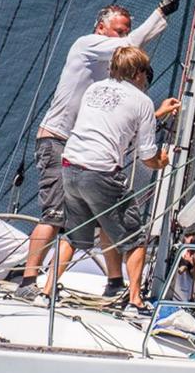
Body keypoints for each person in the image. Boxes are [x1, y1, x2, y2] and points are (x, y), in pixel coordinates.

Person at [25, 0, 181, 297]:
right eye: (119, 30)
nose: (123, 37)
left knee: (100, 218)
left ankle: (114, 283)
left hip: (78, 151)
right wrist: (160, 12)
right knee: (55, 215)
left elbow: (118, 116)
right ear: (101, 29)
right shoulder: (86, 44)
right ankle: (29, 281)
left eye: (125, 31)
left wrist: (155, 113)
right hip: (58, 140)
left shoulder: (109, 82)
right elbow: (131, 45)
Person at [57, 46, 180, 310]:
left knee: (72, 235)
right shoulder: (142, 101)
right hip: (101, 172)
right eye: (147, 73)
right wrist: (164, 161)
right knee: (135, 238)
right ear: (137, 73)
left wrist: (155, 115)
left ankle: (45, 291)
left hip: (70, 165)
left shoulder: (95, 89)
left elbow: (112, 121)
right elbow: (148, 156)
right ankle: (135, 299)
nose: (148, 78)